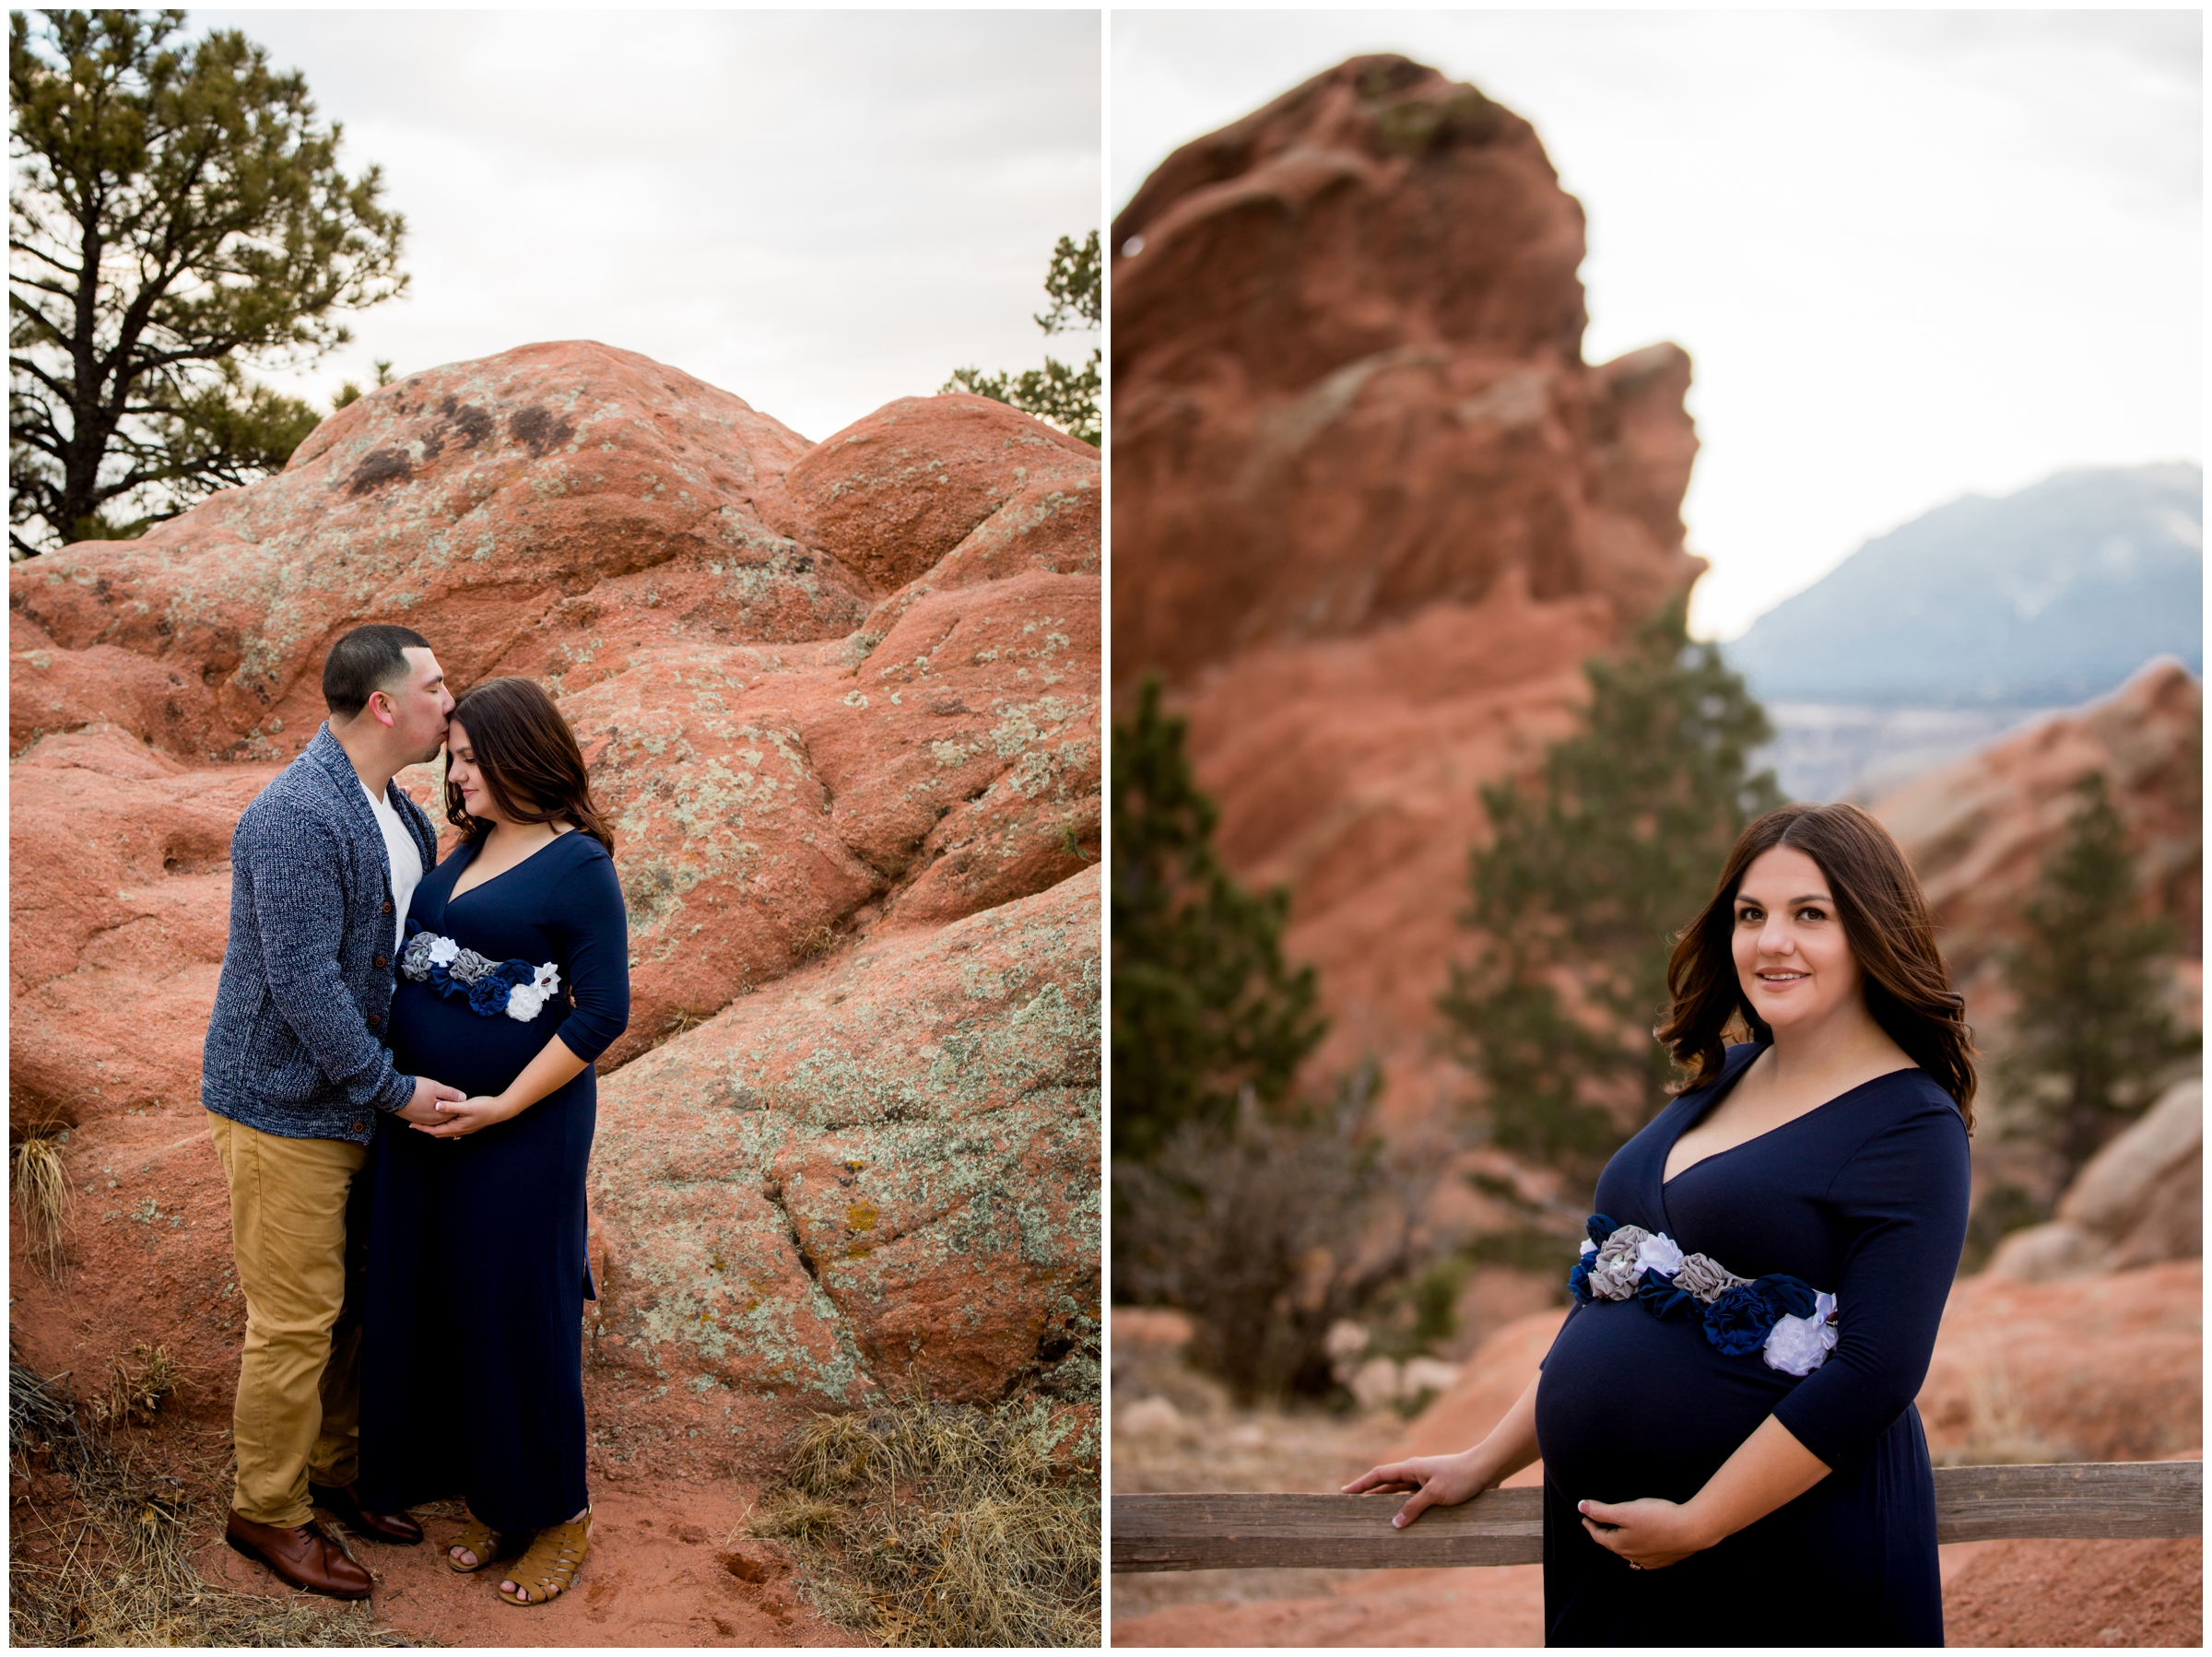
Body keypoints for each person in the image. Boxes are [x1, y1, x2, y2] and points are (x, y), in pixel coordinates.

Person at [1345, 802, 1974, 1646]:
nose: (1770, 942)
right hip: (1618, 1554)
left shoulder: (1909, 1125)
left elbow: (1876, 1372)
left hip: (1783, 1559)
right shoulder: (1727, 1075)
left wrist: (1704, 1520)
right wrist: (1483, 1461)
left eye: (1810, 916)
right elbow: (1625, 1302)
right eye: (1751, 915)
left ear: (1871, 933)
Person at [356, 676, 629, 1608]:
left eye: (473, 758)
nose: (457, 773)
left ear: (519, 754)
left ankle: (559, 1513)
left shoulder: (579, 865)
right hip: (430, 1127)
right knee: (454, 1304)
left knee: (521, 1311)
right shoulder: (462, 846)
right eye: (457, 756)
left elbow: (603, 1012)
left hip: (521, 1130)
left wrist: (506, 1103)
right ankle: (497, 1497)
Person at [203, 624, 465, 1600]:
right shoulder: (295, 815)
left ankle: (334, 1472)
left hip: (358, 1106)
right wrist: (394, 1090)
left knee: (354, 1304)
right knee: (295, 1320)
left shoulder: (403, 815)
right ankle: (265, 1511)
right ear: (386, 705)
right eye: (437, 686)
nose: (453, 701)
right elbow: (303, 982)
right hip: (282, 1106)